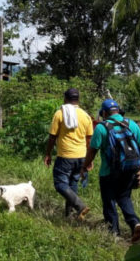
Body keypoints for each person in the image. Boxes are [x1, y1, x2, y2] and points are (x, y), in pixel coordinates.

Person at [81, 99, 140, 242]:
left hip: (109, 172)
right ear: (118, 111)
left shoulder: (101, 127)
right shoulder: (131, 124)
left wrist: (85, 166)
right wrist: (138, 166)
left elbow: (92, 150)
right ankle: (135, 223)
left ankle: (113, 232)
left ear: (104, 113)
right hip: (130, 169)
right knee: (124, 197)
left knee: (109, 200)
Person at [44, 88, 93, 219]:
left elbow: (52, 137)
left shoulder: (60, 114)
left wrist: (48, 154)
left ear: (65, 98)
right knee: (72, 184)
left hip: (65, 156)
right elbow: (89, 139)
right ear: (78, 99)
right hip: (81, 156)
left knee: (59, 183)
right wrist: (89, 159)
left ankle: (79, 206)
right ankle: (69, 215)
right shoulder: (86, 115)